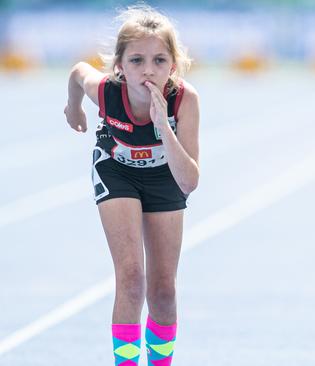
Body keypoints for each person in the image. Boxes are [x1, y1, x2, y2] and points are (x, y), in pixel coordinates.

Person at [64, 4, 199, 365]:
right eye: (136, 60)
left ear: (173, 64)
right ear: (120, 66)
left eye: (159, 60)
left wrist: (163, 126)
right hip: (116, 169)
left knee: (164, 292)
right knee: (131, 277)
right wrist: (73, 107)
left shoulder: (185, 99)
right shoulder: (107, 91)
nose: (148, 71)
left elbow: (189, 180)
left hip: (165, 174)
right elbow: (79, 72)